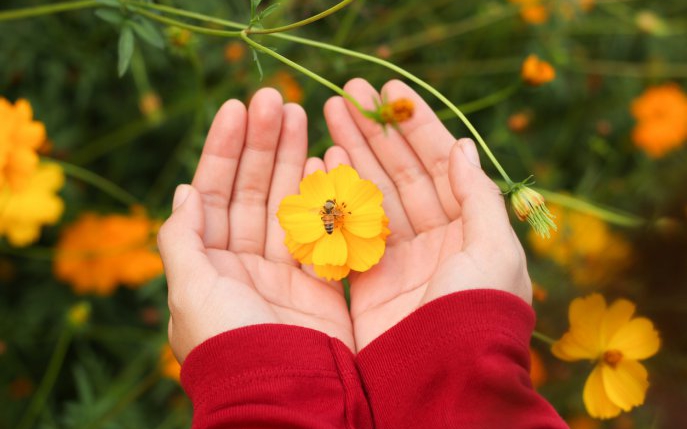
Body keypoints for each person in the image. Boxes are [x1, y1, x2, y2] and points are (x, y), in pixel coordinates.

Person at [157, 78, 568, 429]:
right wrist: (460, 350)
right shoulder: (320, 221)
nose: (331, 212)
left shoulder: (355, 214)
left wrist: (250, 377)